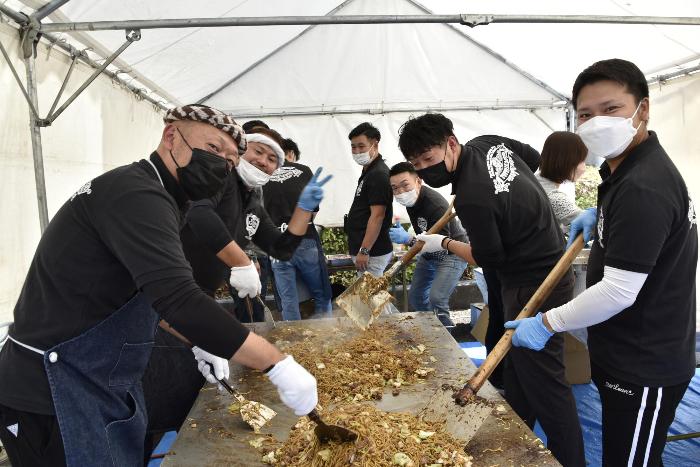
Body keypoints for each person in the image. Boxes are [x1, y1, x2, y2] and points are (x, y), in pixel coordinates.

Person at [0, 105, 322, 467]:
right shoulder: (136, 193)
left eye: (231, 160)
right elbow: (179, 299)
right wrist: (276, 364)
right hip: (52, 387)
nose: (222, 165)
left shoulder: (165, 199)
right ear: (171, 137)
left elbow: (146, 297)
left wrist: (196, 339)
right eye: (214, 149)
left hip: (100, 379)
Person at [508, 59, 697, 467]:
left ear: (642, 109)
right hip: (624, 353)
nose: (596, 123)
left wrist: (546, 323)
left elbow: (619, 291)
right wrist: (603, 217)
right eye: (585, 115)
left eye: (611, 109)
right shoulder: (622, 173)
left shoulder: (644, 185)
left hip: (646, 362)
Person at [398, 113, 585, 467]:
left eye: (429, 158)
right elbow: (533, 158)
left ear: (451, 144)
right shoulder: (487, 143)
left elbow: (489, 258)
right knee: (517, 368)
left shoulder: (472, 197)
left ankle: (572, 460)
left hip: (531, 284)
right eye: (417, 164)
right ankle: (516, 443)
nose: (425, 168)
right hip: (550, 262)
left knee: (547, 382)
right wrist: (516, 198)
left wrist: (445, 243)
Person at [388, 162, 468, 327]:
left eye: (405, 185)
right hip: (428, 253)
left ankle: (447, 340)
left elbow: (441, 248)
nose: (400, 192)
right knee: (416, 296)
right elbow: (426, 238)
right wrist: (414, 241)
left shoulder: (434, 204)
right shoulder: (411, 202)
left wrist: (409, 240)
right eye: (395, 188)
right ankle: (433, 329)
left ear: (418, 181)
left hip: (452, 253)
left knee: (437, 298)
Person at [264, 138, 333, 320]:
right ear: (291, 154)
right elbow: (312, 212)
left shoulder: (260, 173)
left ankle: (294, 343)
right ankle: (328, 336)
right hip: (304, 239)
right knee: (320, 293)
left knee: (289, 300)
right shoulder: (303, 170)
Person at [345, 122, 393, 277]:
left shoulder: (378, 174)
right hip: (366, 250)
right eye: (353, 147)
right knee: (371, 299)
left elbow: (377, 216)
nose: (357, 151)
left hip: (372, 251)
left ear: (375, 145)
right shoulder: (369, 172)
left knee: (371, 299)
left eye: (361, 146)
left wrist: (364, 250)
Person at [535, 131, 588, 232]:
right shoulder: (552, 196)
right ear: (566, 160)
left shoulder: (535, 181)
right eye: (581, 160)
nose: (583, 168)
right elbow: (590, 224)